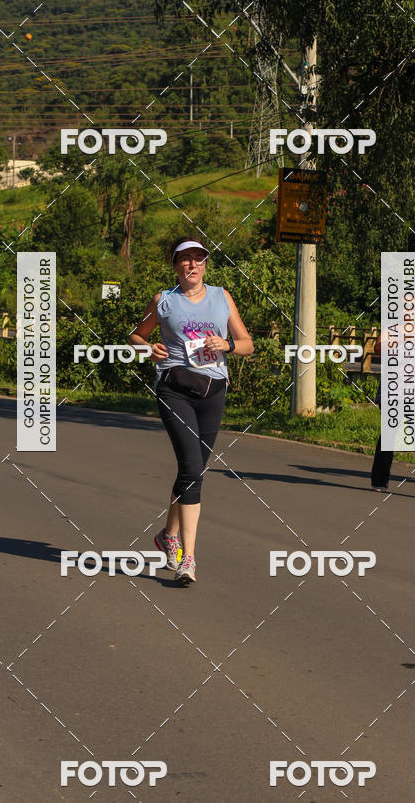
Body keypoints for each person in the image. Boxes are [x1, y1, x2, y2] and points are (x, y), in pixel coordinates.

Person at [130, 236, 254, 585]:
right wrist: (148, 348)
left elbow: (247, 344)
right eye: (185, 260)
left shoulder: (221, 297)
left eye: (198, 259)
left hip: (213, 391)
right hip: (175, 388)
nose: (192, 265)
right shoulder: (164, 301)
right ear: (176, 266)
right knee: (193, 469)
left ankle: (168, 536)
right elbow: (136, 336)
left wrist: (227, 344)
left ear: (205, 265)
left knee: (192, 471)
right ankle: (189, 559)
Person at [371, 324, 415, 499]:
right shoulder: (391, 330)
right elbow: (379, 349)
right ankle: (379, 479)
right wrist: (404, 339)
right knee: (389, 436)